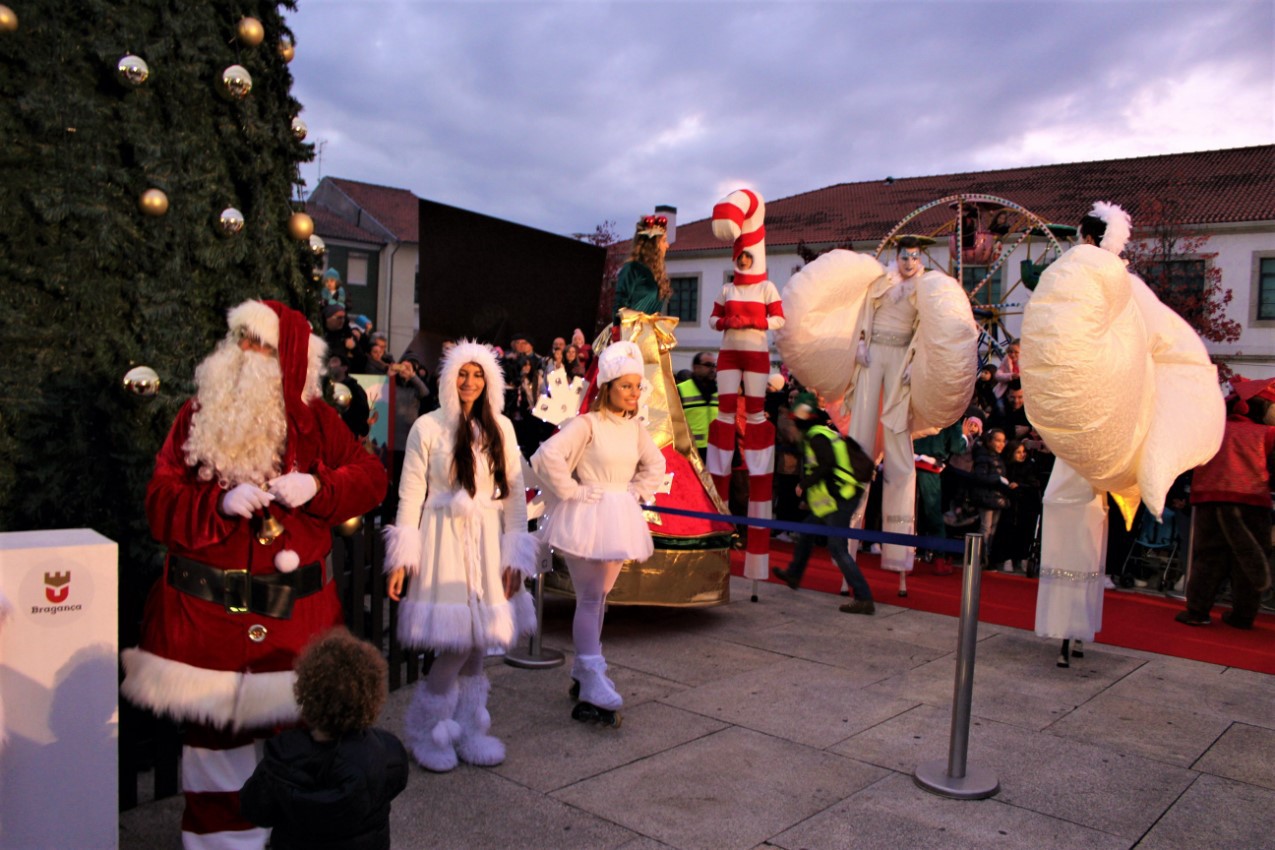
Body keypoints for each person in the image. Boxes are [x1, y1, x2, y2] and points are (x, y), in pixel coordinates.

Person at [120, 300, 388, 849]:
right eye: (239, 338)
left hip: (294, 628)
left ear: (286, 359)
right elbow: (159, 502)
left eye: (258, 344)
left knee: (298, 757)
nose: (243, 352)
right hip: (209, 628)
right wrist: (216, 504)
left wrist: (320, 488)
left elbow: (371, 477)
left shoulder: (317, 420)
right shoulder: (197, 416)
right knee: (214, 760)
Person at [1027, 201, 1224, 668]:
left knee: (1073, 511)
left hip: (1100, 419)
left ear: (1090, 238)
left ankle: (1069, 627)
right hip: (1093, 419)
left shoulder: (1113, 285)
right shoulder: (1120, 288)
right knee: (1075, 514)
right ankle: (1071, 628)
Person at [383, 340, 539, 772]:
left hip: (488, 541)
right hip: (443, 542)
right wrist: (402, 557)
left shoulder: (501, 427)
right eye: (462, 374)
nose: (469, 382)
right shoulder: (427, 428)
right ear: (448, 378)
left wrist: (515, 555)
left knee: (476, 647)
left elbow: (513, 498)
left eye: (477, 374)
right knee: (457, 643)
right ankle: (425, 730)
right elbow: (411, 494)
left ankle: (470, 729)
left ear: (489, 380)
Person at [531, 341, 666, 724]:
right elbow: (547, 456)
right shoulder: (586, 424)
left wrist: (636, 491)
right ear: (606, 385)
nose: (634, 393)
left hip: (619, 516)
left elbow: (654, 465)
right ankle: (591, 674)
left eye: (637, 386)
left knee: (599, 598)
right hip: (586, 518)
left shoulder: (634, 428)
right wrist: (572, 491)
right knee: (591, 598)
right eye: (626, 385)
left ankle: (586, 669)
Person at [239, 628, 409, 850]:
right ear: (371, 698)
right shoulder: (386, 753)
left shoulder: (281, 761)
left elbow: (253, 809)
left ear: (306, 694)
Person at [1176, 385, 1274, 629]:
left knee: (1208, 558)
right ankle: (1243, 615)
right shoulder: (1268, 434)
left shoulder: (1213, 430)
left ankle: (1198, 611)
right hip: (1252, 501)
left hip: (1211, 499)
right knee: (1249, 558)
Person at [771, 393, 876, 615]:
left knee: (837, 547)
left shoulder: (816, 436)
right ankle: (794, 574)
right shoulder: (822, 433)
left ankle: (864, 597)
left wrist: (803, 485)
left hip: (842, 496)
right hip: (835, 496)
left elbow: (826, 465)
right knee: (807, 532)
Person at [913, 414, 980, 573]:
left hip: (906, 462)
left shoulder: (919, 407)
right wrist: (964, 435)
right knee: (933, 513)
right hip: (930, 467)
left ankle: (900, 556)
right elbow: (957, 447)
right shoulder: (950, 415)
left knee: (906, 510)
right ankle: (939, 559)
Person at [994, 438, 1044, 574]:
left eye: (1023, 452)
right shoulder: (1005, 466)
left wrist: (1020, 485)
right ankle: (1007, 558)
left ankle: (1023, 557)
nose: (1022, 455)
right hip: (1009, 504)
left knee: (1025, 532)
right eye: (1018, 452)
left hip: (1025, 505)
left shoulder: (1030, 466)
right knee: (1008, 531)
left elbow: (1035, 483)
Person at [967, 428, 1012, 569]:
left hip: (997, 498)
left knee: (992, 529)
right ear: (989, 441)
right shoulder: (983, 456)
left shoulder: (997, 457)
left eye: (1003, 441)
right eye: (998, 440)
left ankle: (986, 557)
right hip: (986, 497)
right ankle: (981, 558)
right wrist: (998, 479)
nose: (1001, 444)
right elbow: (979, 477)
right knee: (985, 528)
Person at [614, 215, 670, 315]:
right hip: (632, 329)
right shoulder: (632, 269)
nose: (667, 245)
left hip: (651, 329)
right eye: (664, 241)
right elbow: (619, 306)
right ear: (653, 244)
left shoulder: (657, 274)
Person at [676, 351, 718, 460]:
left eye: (714, 365)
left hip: (716, 450)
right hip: (691, 451)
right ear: (696, 367)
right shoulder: (680, 390)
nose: (713, 369)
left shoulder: (720, 391)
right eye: (708, 365)